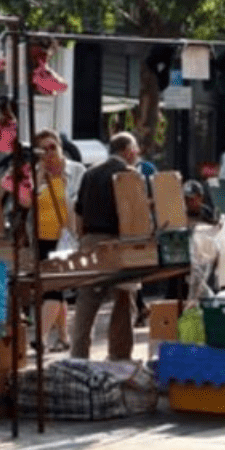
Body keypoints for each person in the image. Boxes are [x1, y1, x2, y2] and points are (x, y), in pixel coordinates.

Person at [70, 132, 141, 360]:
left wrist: (83, 240)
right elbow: (135, 216)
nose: (137, 155)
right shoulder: (129, 174)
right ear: (128, 152)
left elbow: (78, 213)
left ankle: (78, 356)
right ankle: (119, 356)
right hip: (119, 243)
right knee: (123, 300)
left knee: (86, 302)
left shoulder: (90, 173)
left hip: (90, 242)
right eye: (136, 151)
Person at [33, 129, 85, 351]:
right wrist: (37, 178)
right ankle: (64, 337)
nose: (49, 153)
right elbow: (27, 205)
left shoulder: (76, 171)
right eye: (43, 149)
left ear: (61, 147)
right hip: (41, 238)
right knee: (53, 289)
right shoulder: (37, 173)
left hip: (65, 238)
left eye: (53, 147)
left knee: (53, 289)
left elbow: (81, 203)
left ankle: (41, 337)